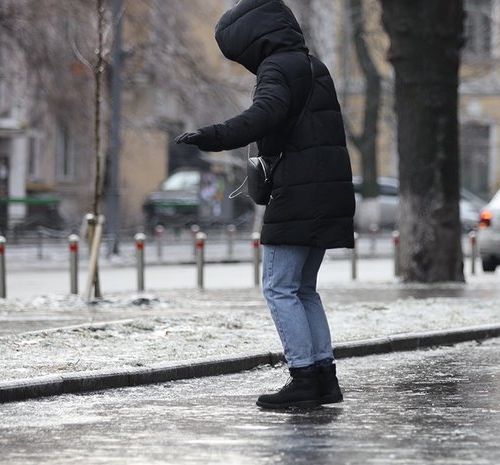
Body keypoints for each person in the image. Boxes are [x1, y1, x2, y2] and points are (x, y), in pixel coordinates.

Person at [175, 0, 355, 410]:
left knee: (278, 288)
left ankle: (304, 377)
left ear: (253, 41)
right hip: (327, 191)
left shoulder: (277, 68)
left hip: (298, 194)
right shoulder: (314, 66)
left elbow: (264, 115)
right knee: (303, 288)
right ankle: (324, 377)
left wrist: (214, 135)